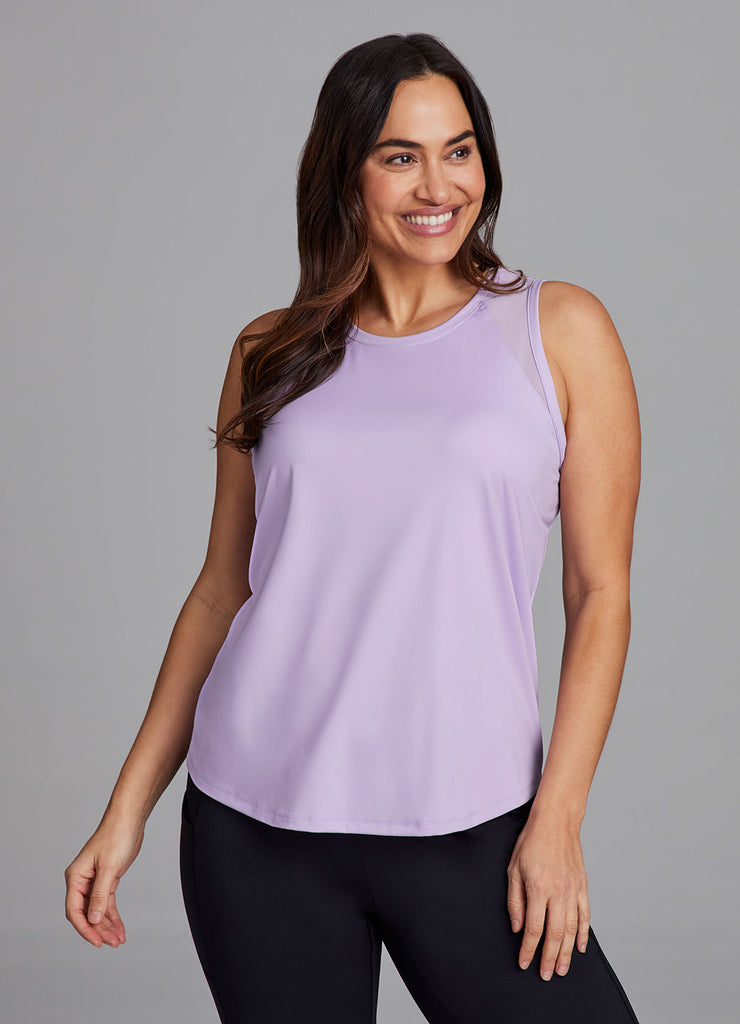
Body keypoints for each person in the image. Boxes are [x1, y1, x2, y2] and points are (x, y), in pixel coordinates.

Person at [64, 32, 642, 1024]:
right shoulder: (270, 351)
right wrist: (126, 812)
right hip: (256, 826)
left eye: (459, 150)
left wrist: (556, 817)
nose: (438, 186)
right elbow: (222, 589)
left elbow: (600, 596)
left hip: (473, 823)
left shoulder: (556, 331)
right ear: (345, 170)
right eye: (399, 156)